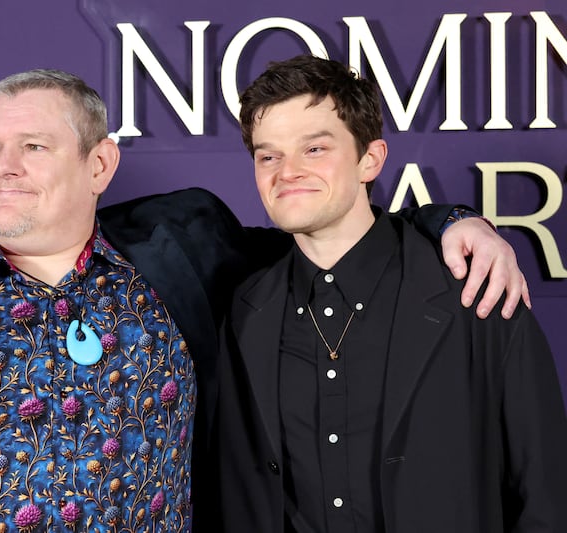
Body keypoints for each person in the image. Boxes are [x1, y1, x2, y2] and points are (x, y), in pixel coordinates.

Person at [0, 68, 526, 533]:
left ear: (99, 164)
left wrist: (453, 221)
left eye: (32, 145)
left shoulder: (184, 244)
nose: (3, 167)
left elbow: (330, 229)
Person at [217, 54, 567, 533]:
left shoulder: (476, 288)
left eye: (314, 149)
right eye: (268, 155)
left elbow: (548, 493)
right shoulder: (244, 310)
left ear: (370, 159)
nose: (287, 172)